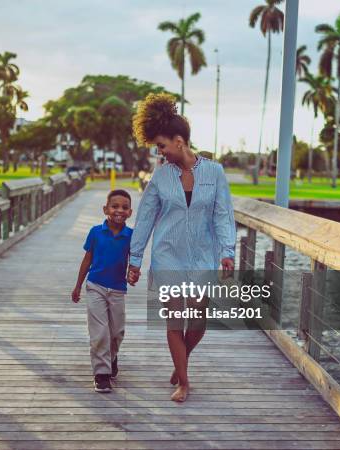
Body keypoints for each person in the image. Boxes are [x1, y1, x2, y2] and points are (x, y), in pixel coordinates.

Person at [127, 93, 236, 402]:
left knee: (198, 320)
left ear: (179, 141)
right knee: (174, 320)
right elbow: (146, 218)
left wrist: (227, 252)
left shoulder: (214, 173)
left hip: (203, 256)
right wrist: (135, 259)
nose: (159, 153)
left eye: (161, 146)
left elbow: (223, 214)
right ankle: (184, 382)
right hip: (167, 257)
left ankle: (181, 361)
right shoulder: (160, 177)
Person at [71, 189, 133, 393]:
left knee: (116, 332)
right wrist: (78, 285)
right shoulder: (96, 232)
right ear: (105, 209)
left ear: (130, 212)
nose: (119, 210)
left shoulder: (130, 236)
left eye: (124, 207)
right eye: (114, 206)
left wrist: (134, 273)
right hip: (95, 285)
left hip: (117, 289)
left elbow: (134, 262)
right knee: (99, 333)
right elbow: (87, 259)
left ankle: (111, 357)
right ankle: (102, 373)